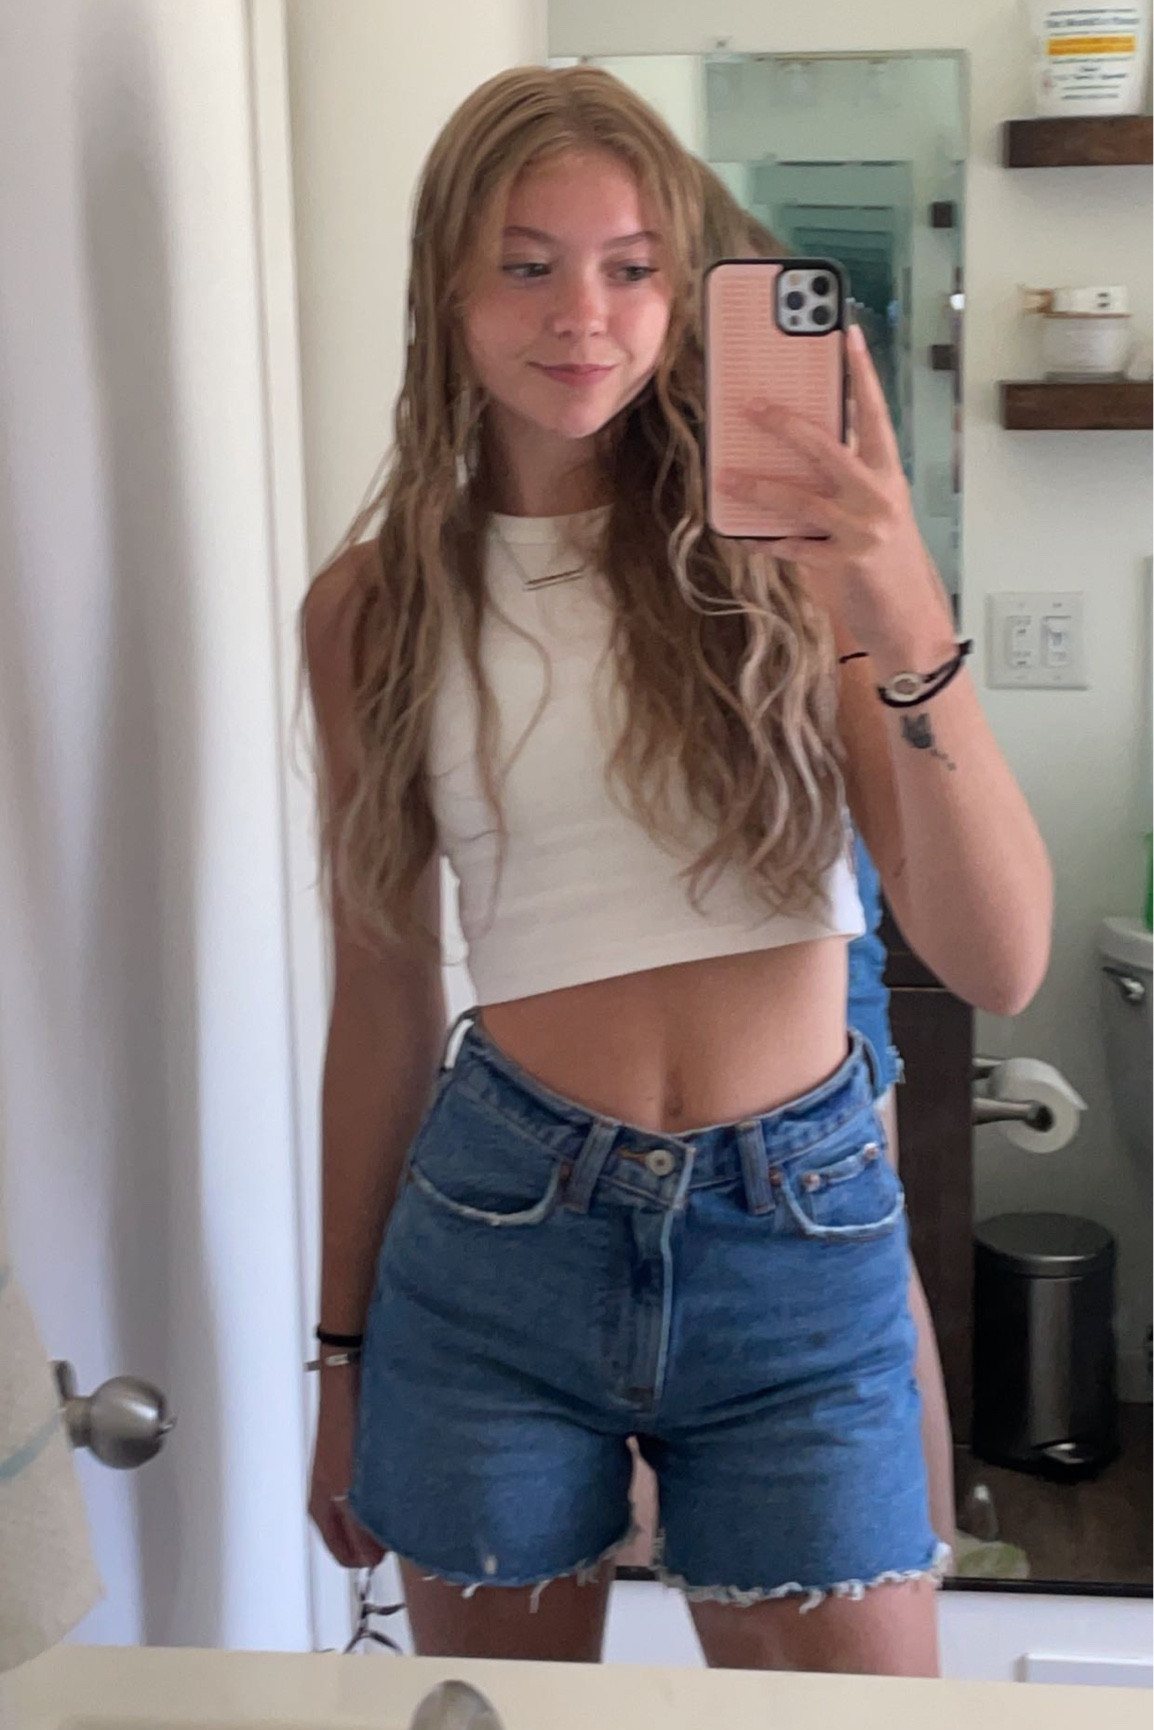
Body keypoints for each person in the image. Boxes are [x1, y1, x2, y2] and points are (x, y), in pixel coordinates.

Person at [302, 66, 1051, 1675]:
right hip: (497, 1232)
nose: (582, 314)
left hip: (794, 1235)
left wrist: (904, 616)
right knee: (495, 1717)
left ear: (683, 287)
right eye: (526, 263)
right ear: (446, 289)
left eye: (631, 267)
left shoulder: (790, 566)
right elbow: (380, 992)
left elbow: (998, 961)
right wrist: (339, 1355)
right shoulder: (371, 607)